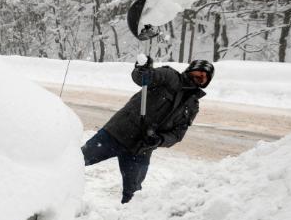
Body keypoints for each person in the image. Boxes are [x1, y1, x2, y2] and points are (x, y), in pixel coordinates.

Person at [81, 56, 213, 203]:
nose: (200, 77)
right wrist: (142, 69)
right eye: (198, 73)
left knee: (134, 196)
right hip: (116, 134)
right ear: (190, 70)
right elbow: (142, 78)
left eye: (205, 77)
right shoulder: (169, 76)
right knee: (77, 161)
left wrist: (159, 140)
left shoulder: (193, 106)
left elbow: (177, 134)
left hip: (142, 149)